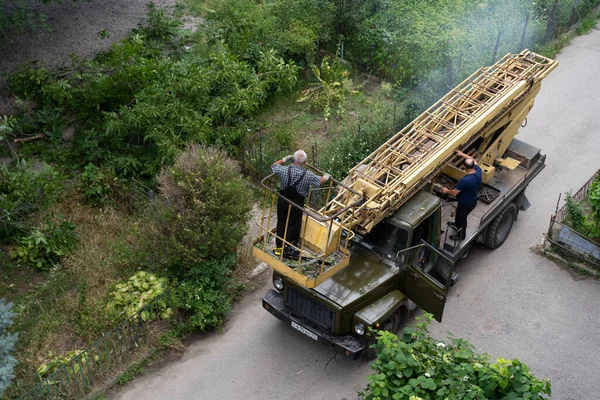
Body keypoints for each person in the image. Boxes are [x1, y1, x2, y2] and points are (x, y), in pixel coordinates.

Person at [271, 150, 330, 253]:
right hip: (296, 205)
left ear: (293, 159)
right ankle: (290, 247)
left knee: (281, 222)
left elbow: (274, 166)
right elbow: (320, 181)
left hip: (283, 201)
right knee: (294, 225)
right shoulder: (308, 175)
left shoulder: (284, 170)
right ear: (305, 162)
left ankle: (279, 246)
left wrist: (284, 159)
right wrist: (326, 177)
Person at [441, 150, 482, 241]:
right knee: (459, 214)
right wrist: (462, 154)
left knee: (462, 219)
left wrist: (446, 190)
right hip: (472, 200)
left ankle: (461, 236)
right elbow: (472, 159)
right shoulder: (478, 171)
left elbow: (454, 193)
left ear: (464, 167)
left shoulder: (464, 181)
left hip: (466, 203)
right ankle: (456, 224)